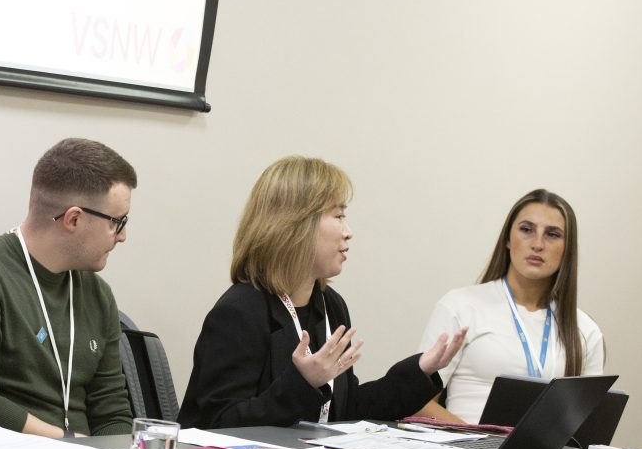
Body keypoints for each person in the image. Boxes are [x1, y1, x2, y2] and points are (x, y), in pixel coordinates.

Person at [177, 156, 466, 429]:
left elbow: (346, 408)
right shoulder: (240, 311)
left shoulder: (330, 304)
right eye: (338, 215)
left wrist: (419, 372)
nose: (348, 231)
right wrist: (302, 384)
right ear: (296, 225)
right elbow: (217, 423)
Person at [0, 138, 136, 440]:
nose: (122, 236)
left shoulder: (98, 295)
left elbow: (112, 413)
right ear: (73, 219)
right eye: (117, 222)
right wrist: (71, 445)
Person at [414, 188, 605, 424]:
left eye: (552, 234)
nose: (537, 244)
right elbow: (417, 403)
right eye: (526, 230)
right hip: (466, 445)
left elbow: (586, 424)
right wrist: (479, 438)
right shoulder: (460, 306)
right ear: (507, 238)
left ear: (568, 248)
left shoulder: (585, 330)